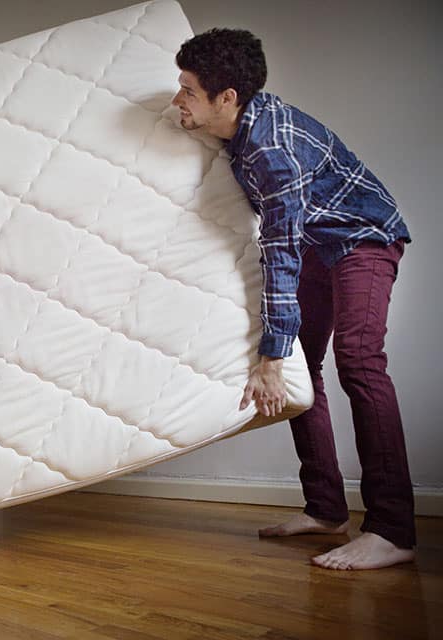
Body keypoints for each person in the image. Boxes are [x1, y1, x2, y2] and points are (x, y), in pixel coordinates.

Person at [171, 29, 414, 570]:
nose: (177, 100)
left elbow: (279, 253)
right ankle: (327, 508)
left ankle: (393, 530)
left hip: (363, 240)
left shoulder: (273, 152)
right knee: (304, 366)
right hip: (317, 243)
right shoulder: (239, 127)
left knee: (358, 362)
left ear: (227, 97)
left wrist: (268, 357)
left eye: (187, 90)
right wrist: (281, 356)